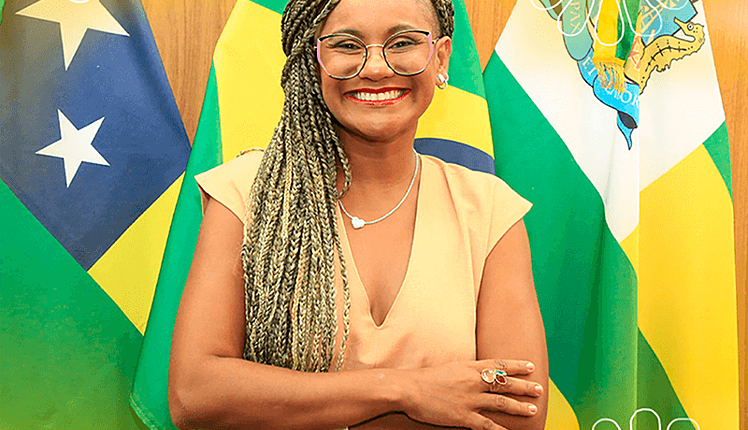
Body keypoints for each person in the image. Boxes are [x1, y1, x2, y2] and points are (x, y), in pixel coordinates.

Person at [168, 0, 548, 428]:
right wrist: (407, 391)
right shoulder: (248, 194)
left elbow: (521, 413)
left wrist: (293, 399)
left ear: (441, 58)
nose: (376, 68)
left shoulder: (489, 209)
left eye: (402, 42)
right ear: (313, 61)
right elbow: (194, 394)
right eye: (347, 45)